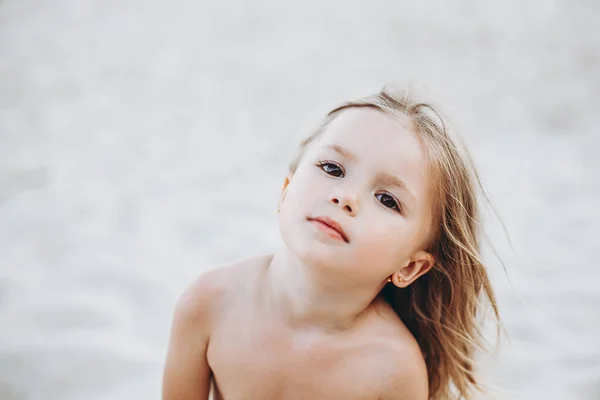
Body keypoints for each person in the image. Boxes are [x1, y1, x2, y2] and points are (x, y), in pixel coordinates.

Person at [162, 85, 502, 400]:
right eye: (332, 168)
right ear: (286, 191)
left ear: (410, 266)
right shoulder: (208, 303)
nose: (346, 196)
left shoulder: (392, 369)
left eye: (386, 199)